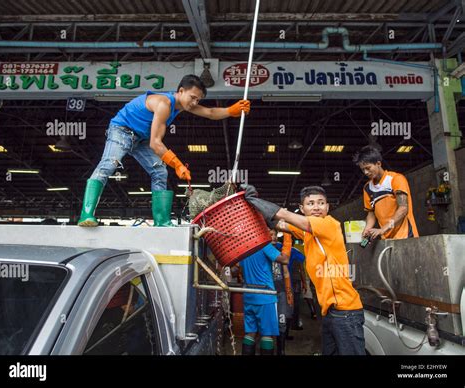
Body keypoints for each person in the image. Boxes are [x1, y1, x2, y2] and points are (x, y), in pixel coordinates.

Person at [78, 75, 250, 227]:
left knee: (160, 172)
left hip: (141, 138)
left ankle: (161, 221)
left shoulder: (184, 105)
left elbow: (211, 112)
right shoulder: (164, 104)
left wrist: (231, 110)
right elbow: (155, 143)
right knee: (109, 164)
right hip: (122, 129)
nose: (195, 103)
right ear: (181, 91)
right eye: (192, 97)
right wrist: (177, 165)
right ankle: (86, 215)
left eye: (198, 100)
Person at [242, 184, 366, 355]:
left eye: (321, 203)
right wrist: (252, 207)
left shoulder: (328, 225)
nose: (316, 207)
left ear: (327, 207)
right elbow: (277, 223)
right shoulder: (307, 232)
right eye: (311, 203)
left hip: (345, 311)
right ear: (302, 208)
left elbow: (283, 214)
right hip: (330, 312)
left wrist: (256, 200)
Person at [353, 145, 419, 240]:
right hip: (386, 238)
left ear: (378, 163)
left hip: (406, 236)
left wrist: (384, 228)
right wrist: (367, 229)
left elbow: (403, 208)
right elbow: (371, 213)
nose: (366, 172)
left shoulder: (396, 179)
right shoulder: (367, 188)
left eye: (368, 168)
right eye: (363, 169)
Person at [239, 237, 289, 355]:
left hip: (249, 296)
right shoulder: (264, 245)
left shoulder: (244, 246)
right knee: (267, 334)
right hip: (265, 296)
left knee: (250, 333)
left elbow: (238, 269)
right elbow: (285, 260)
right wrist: (287, 241)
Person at [269, 229, 294, 355]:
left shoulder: (280, 253)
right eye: (270, 234)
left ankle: (281, 351)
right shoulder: (262, 251)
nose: (272, 237)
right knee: (267, 323)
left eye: (274, 234)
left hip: (281, 292)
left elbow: (285, 272)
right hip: (267, 293)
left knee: (282, 321)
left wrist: (289, 292)